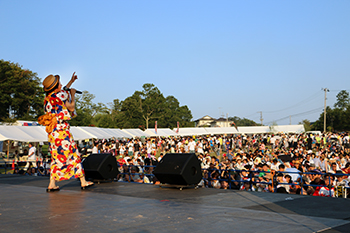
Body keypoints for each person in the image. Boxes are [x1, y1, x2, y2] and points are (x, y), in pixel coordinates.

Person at [38, 72, 93, 192]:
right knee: (73, 154)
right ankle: (83, 181)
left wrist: (71, 82)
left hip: (53, 132)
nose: (61, 84)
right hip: (62, 130)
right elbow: (71, 107)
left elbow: (63, 91)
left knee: (56, 156)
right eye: (60, 83)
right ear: (57, 86)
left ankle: (52, 184)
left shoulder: (48, 99)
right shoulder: (59, 96)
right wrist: (73, 95)